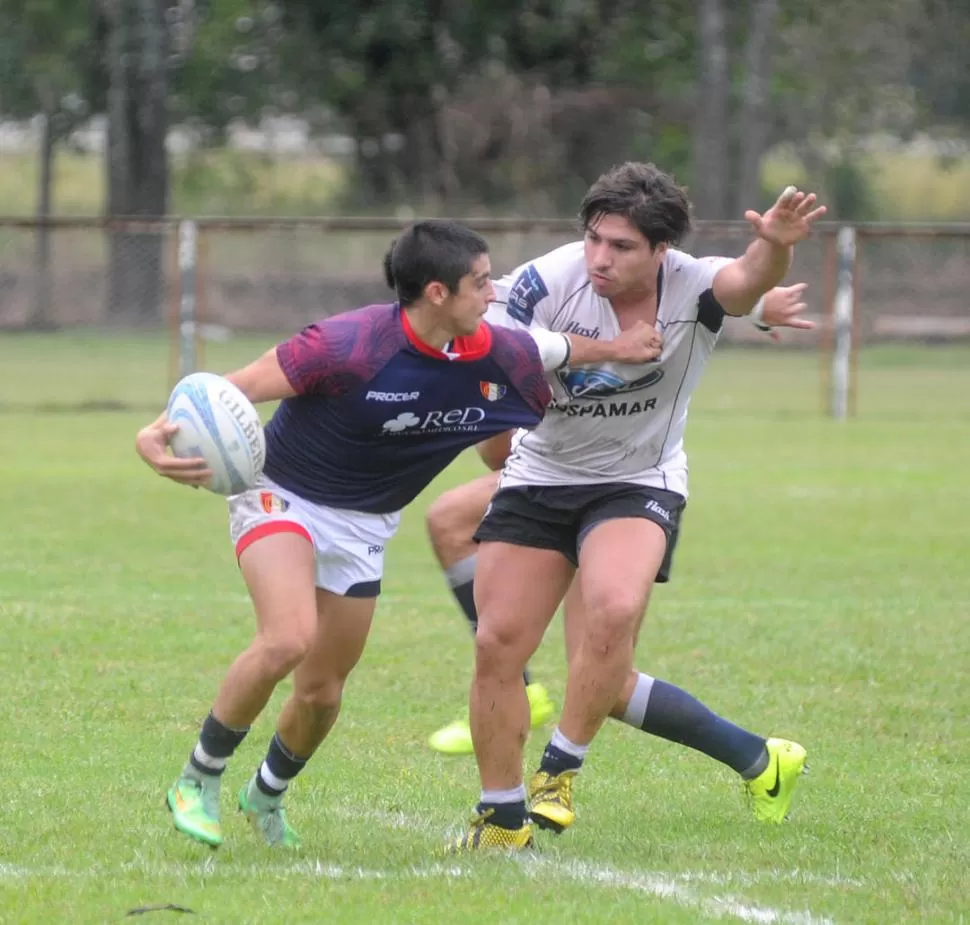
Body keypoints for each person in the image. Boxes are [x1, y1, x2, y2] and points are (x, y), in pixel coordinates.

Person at [134, 219, 663, 849]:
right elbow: (236, 388)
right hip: (282, 494)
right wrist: (155, 432)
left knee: (322, 694)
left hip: (364, 523)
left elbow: (560, 349)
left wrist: (621, 347)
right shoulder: (347, 344)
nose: (493, 294)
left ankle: (266, 794)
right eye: (480, 283)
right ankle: (197, 779)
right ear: (437, 293)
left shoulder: (502, 352)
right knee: (287, 637)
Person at [446, 162, 826, 854]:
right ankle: (500, 818)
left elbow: (746, 280)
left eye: (621, 246)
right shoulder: (546, 281)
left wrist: (774, 245)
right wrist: (607, 350)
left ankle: (559, 771)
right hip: (540, 476)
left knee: (615, 608)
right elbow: (494, 345)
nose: (600, 257)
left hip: (638, 478)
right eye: (594, 238)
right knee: (498, 644)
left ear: (661, 250)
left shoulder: (694, 285)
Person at [425, 282, 812, 755]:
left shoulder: (599, 288)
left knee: (602, 682)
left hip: (623, 485)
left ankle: (757, 755)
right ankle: (515, 687)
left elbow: (699, 286)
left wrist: (756, 305)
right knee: (450, 519)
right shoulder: (508, 309)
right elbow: (498, 453)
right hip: (553, 481)